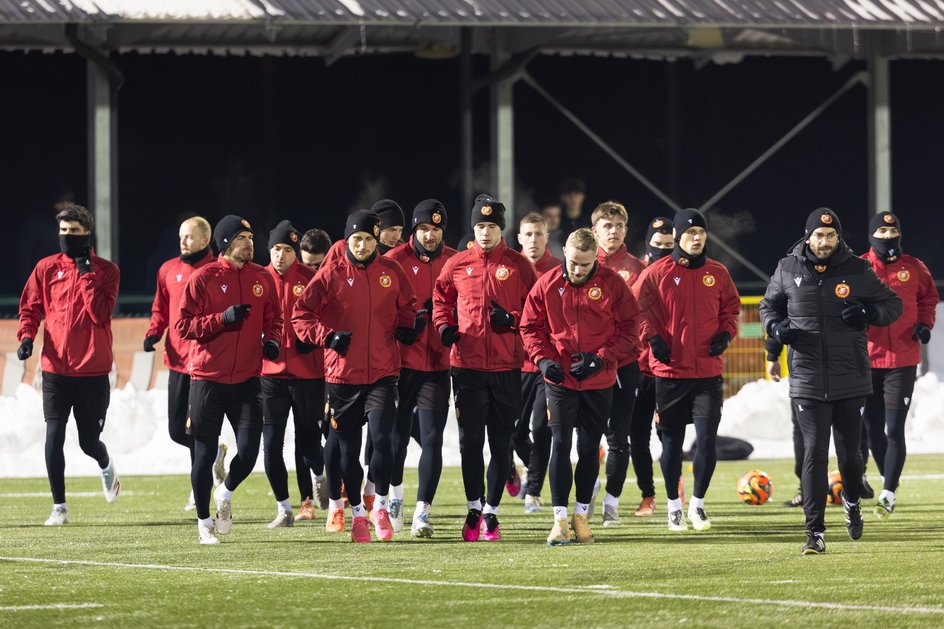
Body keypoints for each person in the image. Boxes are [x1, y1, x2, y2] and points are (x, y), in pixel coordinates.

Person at [760, 208, 902, 555]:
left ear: (839, 238)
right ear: (808, 236)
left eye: (831, 236)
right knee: (814, 453)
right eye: (819, 236)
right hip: (807, 378)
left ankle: (852, 501)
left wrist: (868, 313)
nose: (824, 242)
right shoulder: (787, 268)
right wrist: (776, 329)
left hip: (850, 377)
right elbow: (768, 307)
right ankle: (815, 532)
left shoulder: (857, 269)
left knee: (851, 458)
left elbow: (893, 304)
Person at [293, 209, 417, 543]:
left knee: (383, 439)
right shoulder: (331, 273)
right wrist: (327, 337)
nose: (362, 246)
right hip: (343, 376)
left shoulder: (391, 270)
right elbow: (301, 315)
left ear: (376, 239)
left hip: (383, 372)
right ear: (347, 240)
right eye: (356, 239)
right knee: (347, 452)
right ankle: (357, 516)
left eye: (368, 239)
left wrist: (406, 325)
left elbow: (408, 305)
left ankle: (379, 507)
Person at [521, 228, 640, 545]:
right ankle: (559, 520)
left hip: (598, 380)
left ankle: (581, 516)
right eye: (573, 262)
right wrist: (543, 360)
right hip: (559, 379)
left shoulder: (613, 284)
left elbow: (630, 328)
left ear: (595, 259)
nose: (577, 269)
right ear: (564, 252)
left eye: (584, 265)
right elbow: (530, 326)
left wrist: (601, 358)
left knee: (589, 447)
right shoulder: (546, 284)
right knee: (559, 443)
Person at [433, 194, 538, 541]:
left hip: (507, 366)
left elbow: (537, 311)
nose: (485, 232)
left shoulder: (519, 265)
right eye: (480, 225)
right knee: (471, 442)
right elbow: (440, 299)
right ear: (473, 227)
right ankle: (474, 507)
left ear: (501, 229)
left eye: (491, 226)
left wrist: (512, 318)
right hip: (467, 367)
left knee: (501, 442)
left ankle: (492, 512)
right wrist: (444, 326)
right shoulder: (457, 264)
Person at [176, 214, 283, 544]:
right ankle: (204, 522)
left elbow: (275, 319)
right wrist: (221, 319)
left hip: (247, 380)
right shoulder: (203, 277)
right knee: (204, 454)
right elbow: (183, 327)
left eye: (250, 239)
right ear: (224, 243)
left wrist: (272, 340)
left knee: (249, 452)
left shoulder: (263, 277)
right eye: (240, 239)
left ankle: (224, 492)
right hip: (207, 379)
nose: (248, 244)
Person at [633, 208, 740, 533]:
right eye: (690, 233)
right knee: (672, 444)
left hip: (707, 373)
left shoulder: (718, 272)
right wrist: (652, 337)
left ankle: (698, 505)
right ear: (678, 236)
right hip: (670, 373)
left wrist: (726, 334)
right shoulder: (656, 272)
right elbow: (635, 310)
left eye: (701, 233)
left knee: (706, 440)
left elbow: (731, 309)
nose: (696, 238)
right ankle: (673, 507)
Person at [18, 205, 121, 526]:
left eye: (74, 231)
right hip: (55, 369)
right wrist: (26, 337)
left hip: (92, 371)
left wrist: (86, 273)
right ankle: (59, 507)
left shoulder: (107, 271)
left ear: (87, 234)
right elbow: (30, 307)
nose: (67, 236)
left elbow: (100, 314)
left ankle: (105, 463)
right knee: (53, 435)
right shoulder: (46, 268)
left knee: (88, 442)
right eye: (63, 231)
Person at [144, 216, 228, 512]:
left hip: (204, 363)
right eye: (181, 236)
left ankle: (198, 488)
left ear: (205, 239)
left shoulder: (218, 271)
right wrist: (154, 333)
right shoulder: (168, 269)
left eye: (189, 237)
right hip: (178, 361)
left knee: (197, 431)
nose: (183, 242)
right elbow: (160, 309)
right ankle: (214, 455)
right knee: (176, 431)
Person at [387, 199, 457, 537]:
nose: (430, 235)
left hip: (438, 365)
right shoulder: (393, 261)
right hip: (399, 365)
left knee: (432, 438)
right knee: (396, 439)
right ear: (414, 230)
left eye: (436, 229)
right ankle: (395, 498)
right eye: (424, 229)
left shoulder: (456, 261)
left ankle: (422, 513)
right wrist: (404, 323)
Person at [860, 211, 938, 518]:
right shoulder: (859, 267)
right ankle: (885, 477)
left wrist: (925, 324)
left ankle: (888, 492)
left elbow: (928, 299)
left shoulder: (914, 267)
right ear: (872, 236)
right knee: (872, 429)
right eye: (881, 231)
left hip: (903, 360)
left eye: (892, 231)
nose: (888, 236)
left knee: (894, 428)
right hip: (867, 359)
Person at [260, 220, 329, 528]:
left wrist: (311, 341)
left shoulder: (312, 279)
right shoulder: (257, 279)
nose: (281, 255)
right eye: (276, 249)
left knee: (309, 444)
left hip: (308, 375)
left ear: (295, 252)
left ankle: (319, 476)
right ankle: (284, 508)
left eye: (287, 249)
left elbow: (328, 318)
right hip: (270, 376)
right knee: (272, 445)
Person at [591, 201, 644, 526]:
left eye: (619, 226)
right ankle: (589, 488)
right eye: (607, 226)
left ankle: (612, 502)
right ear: (594, 230)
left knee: (618, 437)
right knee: (586, 436)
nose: (613, 231)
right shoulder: (581, 264)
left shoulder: (638, 268)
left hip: (624, 364)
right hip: (588, 365)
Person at [628, 216, 675, 517]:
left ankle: (675, 483)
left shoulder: (682, 276)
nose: (663, 251)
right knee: (637, 435)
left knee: (668, 432)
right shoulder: (636, 273)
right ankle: (648, 494)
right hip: (638, 366)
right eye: (657, 245)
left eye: (669, 245)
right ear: (648, 245)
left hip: (669, 366)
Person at [516, 212, 562, 513]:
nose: (533, 239)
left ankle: (533, 490)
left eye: (538, 234)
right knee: (514, 432)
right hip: (516, 362)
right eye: (528, 234)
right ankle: (531, 471)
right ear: (519, 238)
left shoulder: (559, 269)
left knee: (540, 427)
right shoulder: (510, 266)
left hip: (547, 363)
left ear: (547, 236)